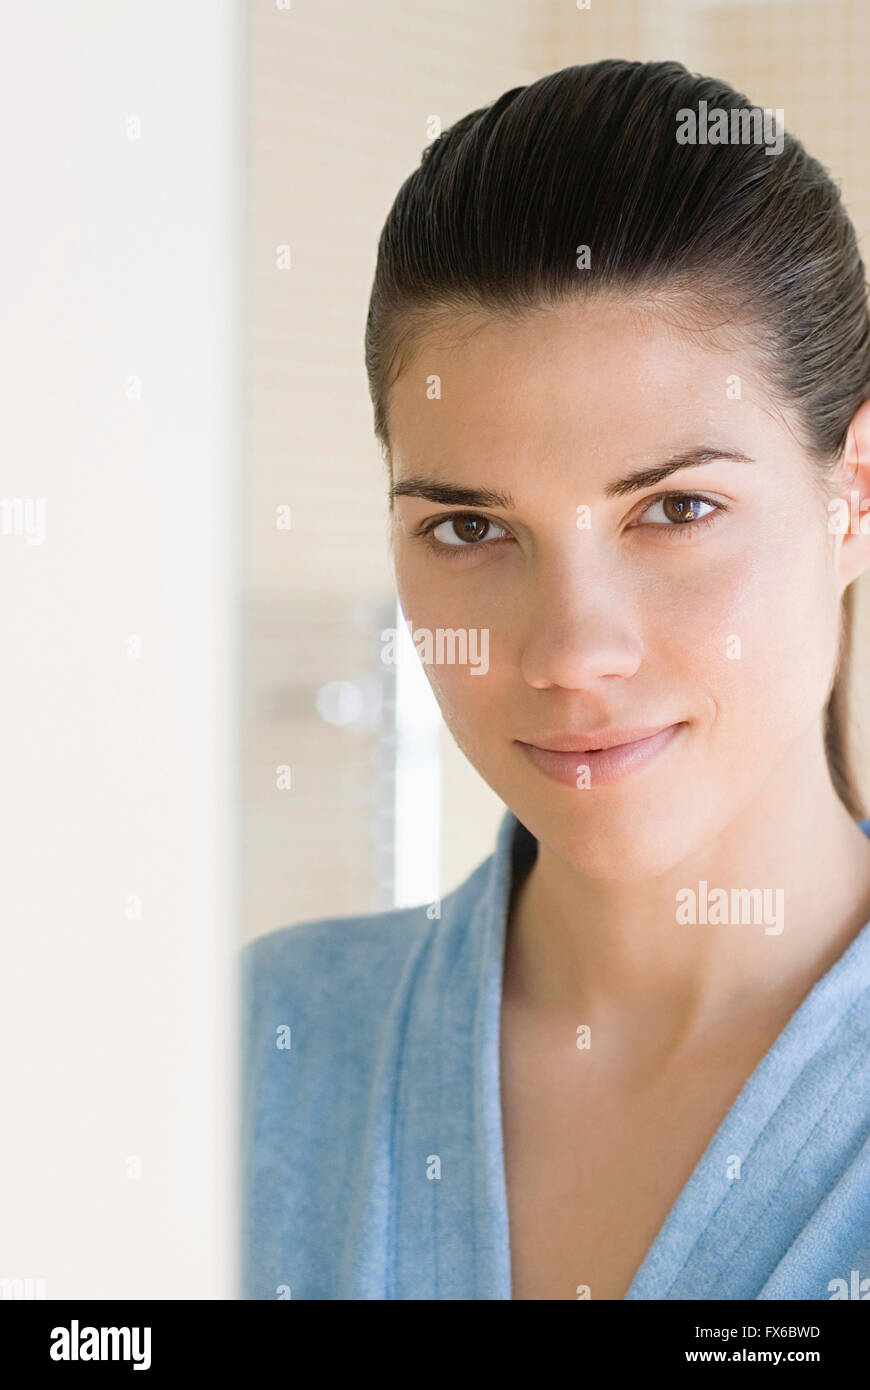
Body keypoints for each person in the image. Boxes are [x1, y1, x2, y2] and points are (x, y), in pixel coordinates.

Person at [241, 59, 870, 1300]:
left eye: (676, 506)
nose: (572, 653)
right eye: (471, 528)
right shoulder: (251, 1050)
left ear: (852, 495)